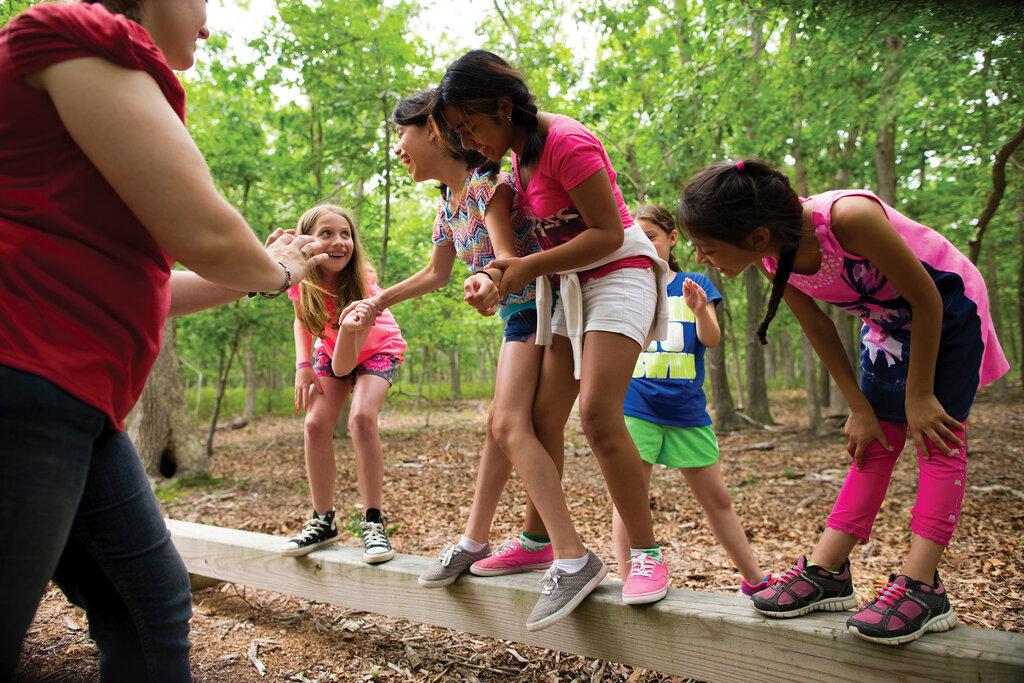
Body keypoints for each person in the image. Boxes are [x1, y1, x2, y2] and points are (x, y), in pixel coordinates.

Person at [0, 1, 328, 679]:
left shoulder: (96, 81)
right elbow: (207, 236)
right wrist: (282, 269)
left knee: (149, 605)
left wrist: (256, 275)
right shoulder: (73, 33)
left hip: (77, 405)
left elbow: (152, 286)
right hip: (23, 380)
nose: (207, 23)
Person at [678, 158, 1009, 645]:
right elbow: (819, 327)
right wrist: (858, 406)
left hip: (949, 311)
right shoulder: (774, 257)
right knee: (873, 442)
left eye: (707, 248)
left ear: (757, 235)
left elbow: (928, 300)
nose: (701, 258)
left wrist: (918, 396)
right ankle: (827, 571)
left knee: (937, 439)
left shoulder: (849, 218)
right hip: (889, 324)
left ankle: (924, 585)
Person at [432, 50, 673, 631]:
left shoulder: (568, 142)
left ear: (504, 106)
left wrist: (530, 267)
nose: (469, 142)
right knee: (541, 417)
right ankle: (539, 541)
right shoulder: (516, 158)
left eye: (472, 127)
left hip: (619, 273)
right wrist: (495, 276)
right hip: (567, 286)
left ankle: (646, 553)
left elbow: (609, 233)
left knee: (596, 413)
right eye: (458, 133)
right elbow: (515, 248)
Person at [358, 89, 555, 587]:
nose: (398, 149)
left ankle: (562, 551)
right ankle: (476, 539)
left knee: (507, 426)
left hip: (540, 308)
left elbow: (507, 257)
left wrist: (490, 279)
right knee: (499, 426)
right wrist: (378, 301)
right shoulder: (448, 202)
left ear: (431, 128)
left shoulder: (490, 183)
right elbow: (435, 273)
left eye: (401, 135)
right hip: (518, 314)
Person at [611, 205, 772, 596]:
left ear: (671, 238)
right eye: (635, 238)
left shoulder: (695, 283)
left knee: (716, 499)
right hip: (638, 408)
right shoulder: (627, 287)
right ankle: (631, 573)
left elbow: (712, 338)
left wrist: (701, 310)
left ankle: (755, 578)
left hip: (686, 412)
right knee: (630, 496)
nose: (643, 244)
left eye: (650, 236)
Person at [280, 205, 406, 564]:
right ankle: (323, 520)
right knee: (316, 423)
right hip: (332, 346)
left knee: (361, 419)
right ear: (307, 240)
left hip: (375, 347)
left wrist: (328, 361)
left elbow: (348, 361)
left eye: (345, 234)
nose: (338, 242)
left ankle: (373, 521)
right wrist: (303, 365)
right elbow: (302, 319)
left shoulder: (361, 280)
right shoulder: (299, 277)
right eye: (326, 234)